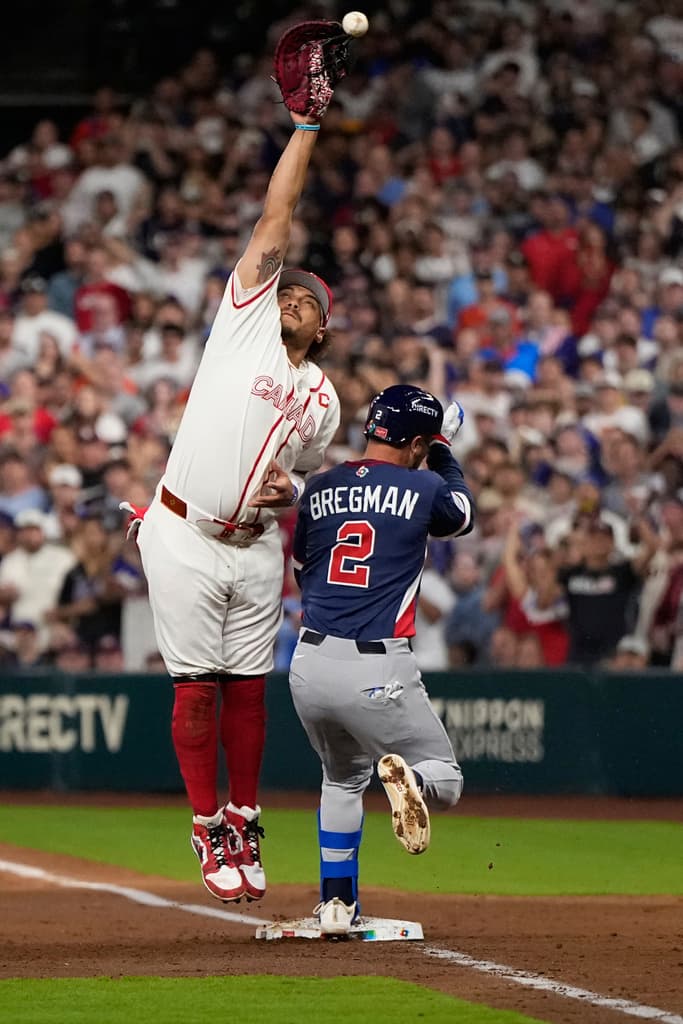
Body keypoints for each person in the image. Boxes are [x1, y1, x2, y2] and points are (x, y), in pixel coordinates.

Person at [132, 90, 341, 905]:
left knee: (248, 686)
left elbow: (297, 471)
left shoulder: (321, 398)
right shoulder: (245, 323)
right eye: (288, 290)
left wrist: (295, 491)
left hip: (255, 543)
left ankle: (245, 817)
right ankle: (205, 822)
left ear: (321, 329)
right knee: (195, 685)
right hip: (183, 530)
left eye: (308, 302)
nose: (292, 298)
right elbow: (276, 217)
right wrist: (307, 126)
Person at [288, 385, 474, 936]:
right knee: (446, 778)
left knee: (341, 781)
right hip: (376, 664)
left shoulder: (319, 486)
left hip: (308, 662)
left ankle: (337, 906)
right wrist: (442, 447)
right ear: (417, 442)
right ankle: (409, 778)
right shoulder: (423, 483)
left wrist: (427, 440)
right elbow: (460, 514)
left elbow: (302, 565)